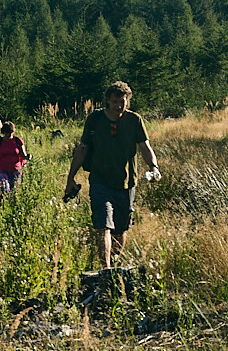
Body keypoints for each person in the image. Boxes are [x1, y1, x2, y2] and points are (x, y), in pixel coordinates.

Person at [64, 81, 160, 269]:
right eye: (115, 102)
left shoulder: (134, 120)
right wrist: (70, 178)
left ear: (127, 101)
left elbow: (144, 147)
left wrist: (154, 167)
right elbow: (82, 149)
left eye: (122, 101)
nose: (118, 106)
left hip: (126, 184)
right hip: (100, 182)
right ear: (107, 101)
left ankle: (114, 266)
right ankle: (105, 269)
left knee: (120, 229)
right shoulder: (95, 119)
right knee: (103, 225)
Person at [0, 121, 29, 198]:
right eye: (6, 132)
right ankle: (3, 205)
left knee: (14, 191)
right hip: (2, 170)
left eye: (10, 132)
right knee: (4, 189)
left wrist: (28, 157)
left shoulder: (18, 141)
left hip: (15, 170)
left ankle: (12, 206)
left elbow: (23, 155)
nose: (8, 135)